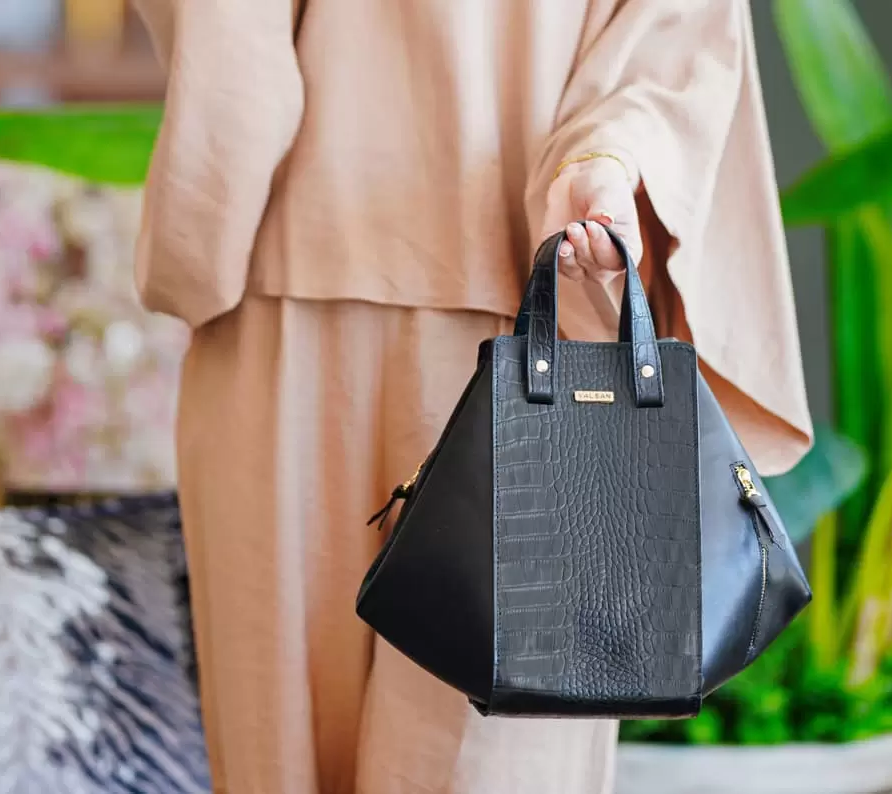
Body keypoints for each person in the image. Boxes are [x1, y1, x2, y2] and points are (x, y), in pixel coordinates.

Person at [131, 1, 813, 792]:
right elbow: (672, 47)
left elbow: (228, 59)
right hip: (479, 314)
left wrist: (605, 166)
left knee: (286, 750)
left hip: (335, 305)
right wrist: (606, 159)